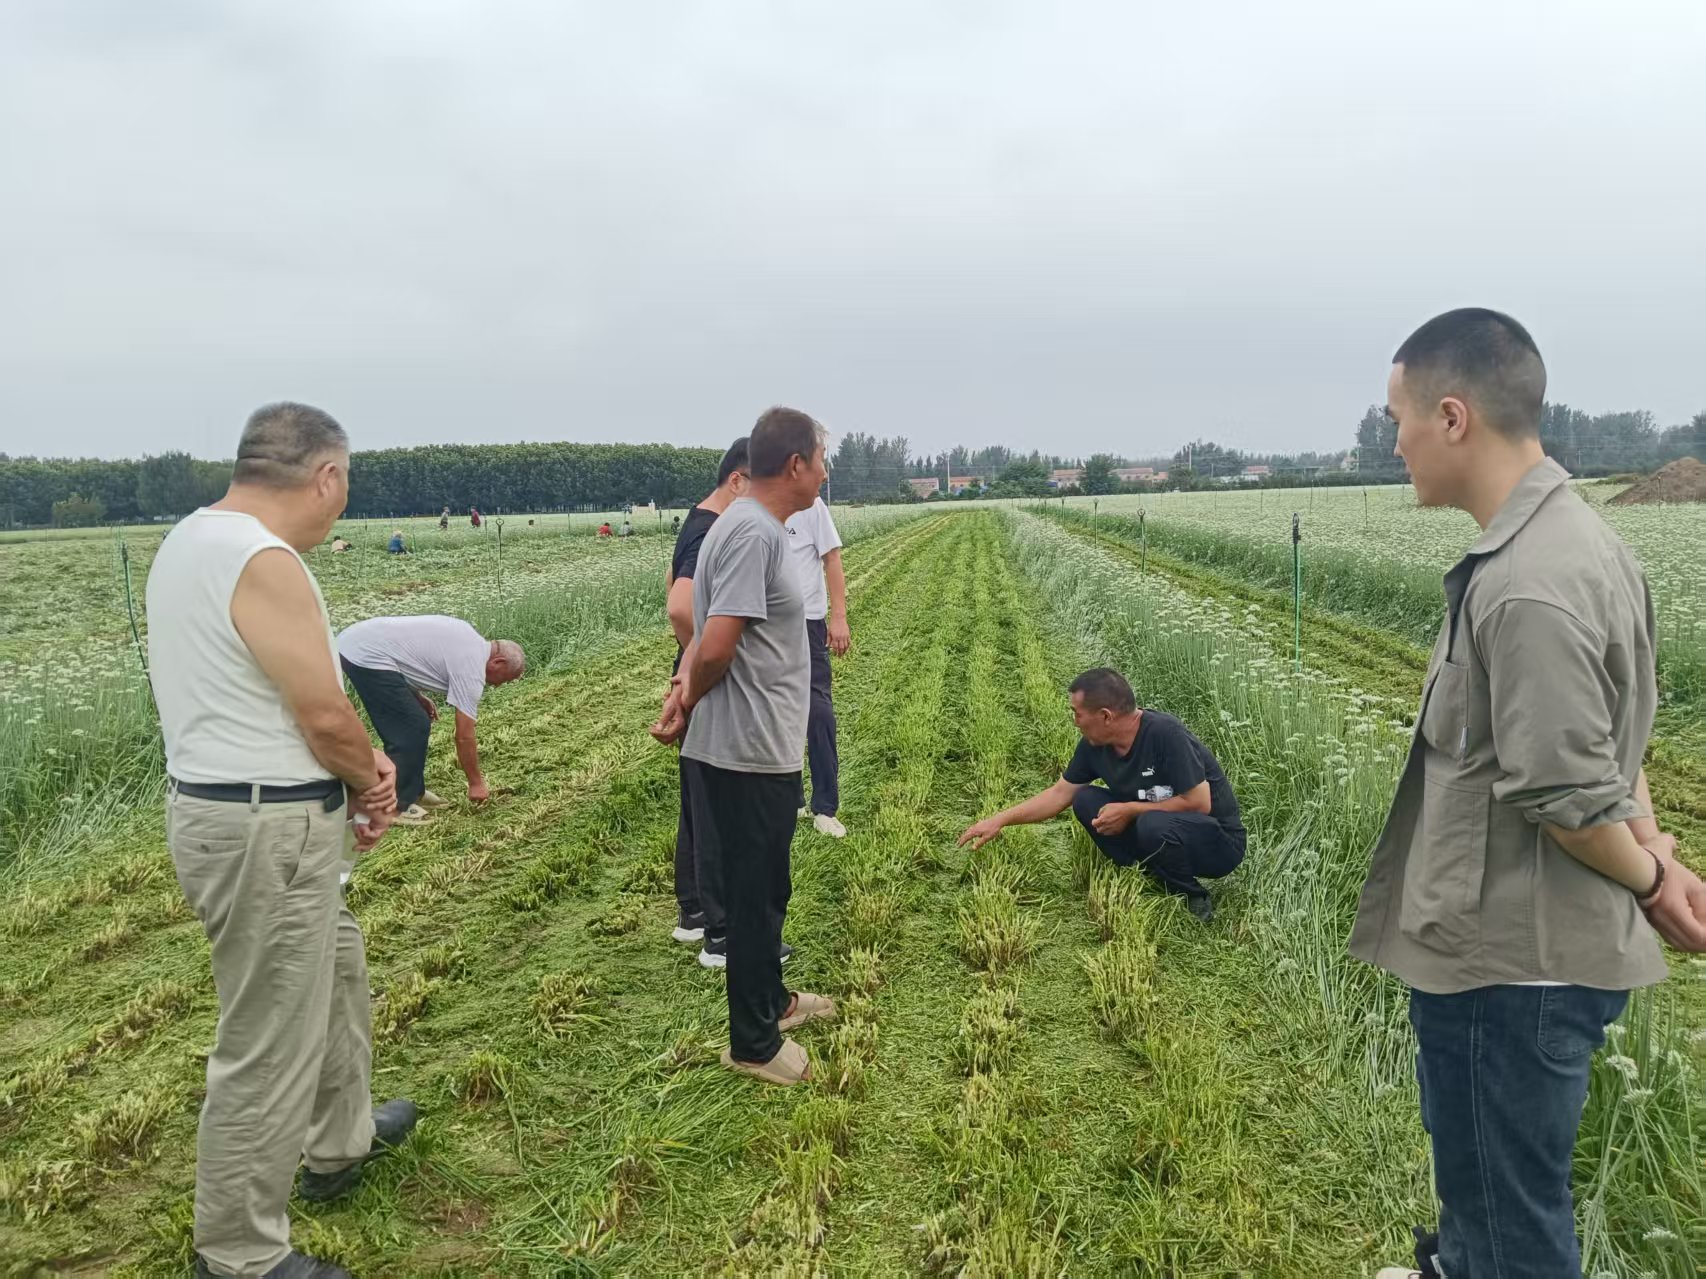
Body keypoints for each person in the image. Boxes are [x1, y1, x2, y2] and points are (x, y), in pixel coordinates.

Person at [1357, 310, 1706, 1279]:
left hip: (1508, 963)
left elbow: (1564, 793)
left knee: (1511, 1217)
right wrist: (1654, 849)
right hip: (1520, 953)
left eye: (1397, 418)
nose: (1394, 442)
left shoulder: (1526, 584)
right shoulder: (1579, 544)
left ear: (1452, 417)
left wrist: (1648, 878)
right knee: (1480, 1188)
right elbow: (1610, 743)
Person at [145, 402, 415, 1279]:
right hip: (268, 825)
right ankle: (238, 1250)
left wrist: (349, 778)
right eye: (346, 484)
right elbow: (323, 713)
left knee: (336, 973)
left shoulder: (189, 540)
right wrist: (373, 777)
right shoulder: (264, 558)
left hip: (236, 809)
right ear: (326, 476)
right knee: (268, 1039)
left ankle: (340, 1140)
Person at [651, 407, 837, 1085]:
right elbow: (718, 644)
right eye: (822, 458)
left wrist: (682, 692)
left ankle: (772, 1002)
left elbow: (708, 635)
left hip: (757, 744)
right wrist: (689, 699)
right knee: (756, 898)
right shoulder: (753, 531)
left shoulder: (749, 526)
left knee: (768, 889)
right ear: (795, 464)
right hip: (747, 749)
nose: (825, 472)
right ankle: (753, 1044)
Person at [958, 668, 1245, 922]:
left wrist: (1130, 810)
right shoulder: (1094, 745)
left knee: (1151, 823)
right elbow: (1059, 794)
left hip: (1217, 843)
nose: (1075, 721)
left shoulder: (1165, 734)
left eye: (1077, 713)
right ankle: (1148, 874)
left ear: (1105, 715)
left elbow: (1199, 803)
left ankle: (1191, 894)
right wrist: (999, 820)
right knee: (1085, 799)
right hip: (1160, 827)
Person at [663, 437, 750, 954]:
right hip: (706, 680)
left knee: (697, 800)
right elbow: (680, 605)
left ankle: (693, 911)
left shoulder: (695, 523)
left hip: (693, 674)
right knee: (715, 803)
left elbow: (670, 585)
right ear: (736, 481)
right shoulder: (711, 529)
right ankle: (720, 930)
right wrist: (701, 664)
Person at [337, 615, 525, 827]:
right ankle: (395, 805)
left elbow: (407, 656)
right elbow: (464, 736)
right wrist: (476, 784)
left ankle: (413, 792)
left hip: (360, 641)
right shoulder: (472, 668)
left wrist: (416, 697)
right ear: (498, 662)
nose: (499, 686)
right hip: (363, 653)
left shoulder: (469, 639)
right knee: (411, 727)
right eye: (505, 679)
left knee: (416, 719)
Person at [784, 492, 850, 837]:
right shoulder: (754, 502)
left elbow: (832, 558)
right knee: (777, 711)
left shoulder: (811, 504)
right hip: (765, 625)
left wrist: (838, 617)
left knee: (817, 711)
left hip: (808, 623)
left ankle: (825, 807)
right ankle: (791, 798)